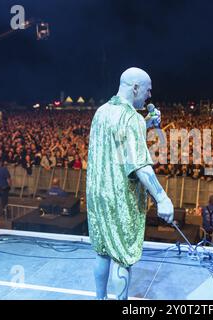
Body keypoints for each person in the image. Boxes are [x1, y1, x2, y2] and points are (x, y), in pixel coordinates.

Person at [87, 67, 174, 300]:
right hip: (119, 198)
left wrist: (145, 124)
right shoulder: (131, 117)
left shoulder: (101, 112)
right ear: (135, 87)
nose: (149, 96)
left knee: (103, 252)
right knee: (122, 257)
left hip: (98, 196)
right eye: (147, 90)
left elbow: (118, 142)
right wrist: (162, 198)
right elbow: (140, 165)